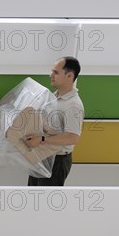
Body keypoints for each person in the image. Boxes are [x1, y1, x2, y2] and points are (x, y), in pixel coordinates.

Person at [26, 56, 84, 186]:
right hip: (42, 155)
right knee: (32, 199)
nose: (50, 75)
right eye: (52, 71)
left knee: (45, 203)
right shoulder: (53, 97)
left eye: (56, 72)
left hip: (57, 161)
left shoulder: (73, 105)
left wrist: (41, 139)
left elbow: (72, 137)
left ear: (69, 76)